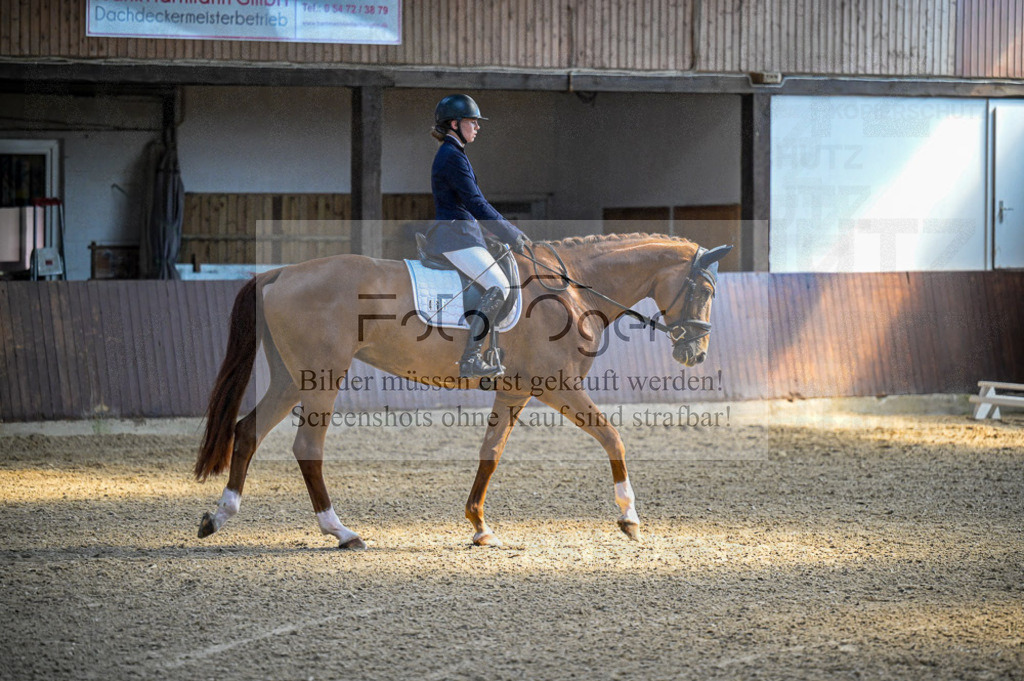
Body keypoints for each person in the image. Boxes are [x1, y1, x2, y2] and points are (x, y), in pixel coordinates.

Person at [426, 94, 529, 379]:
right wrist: (512, 233)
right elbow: (475, 203)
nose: (477, 127)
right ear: (455, 124)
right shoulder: (452, 156)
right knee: (499, 285)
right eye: (472, 121)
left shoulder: (454, 153)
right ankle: (471, 358)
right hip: (454, 236)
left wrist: (492, 235)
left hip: (462, 232)